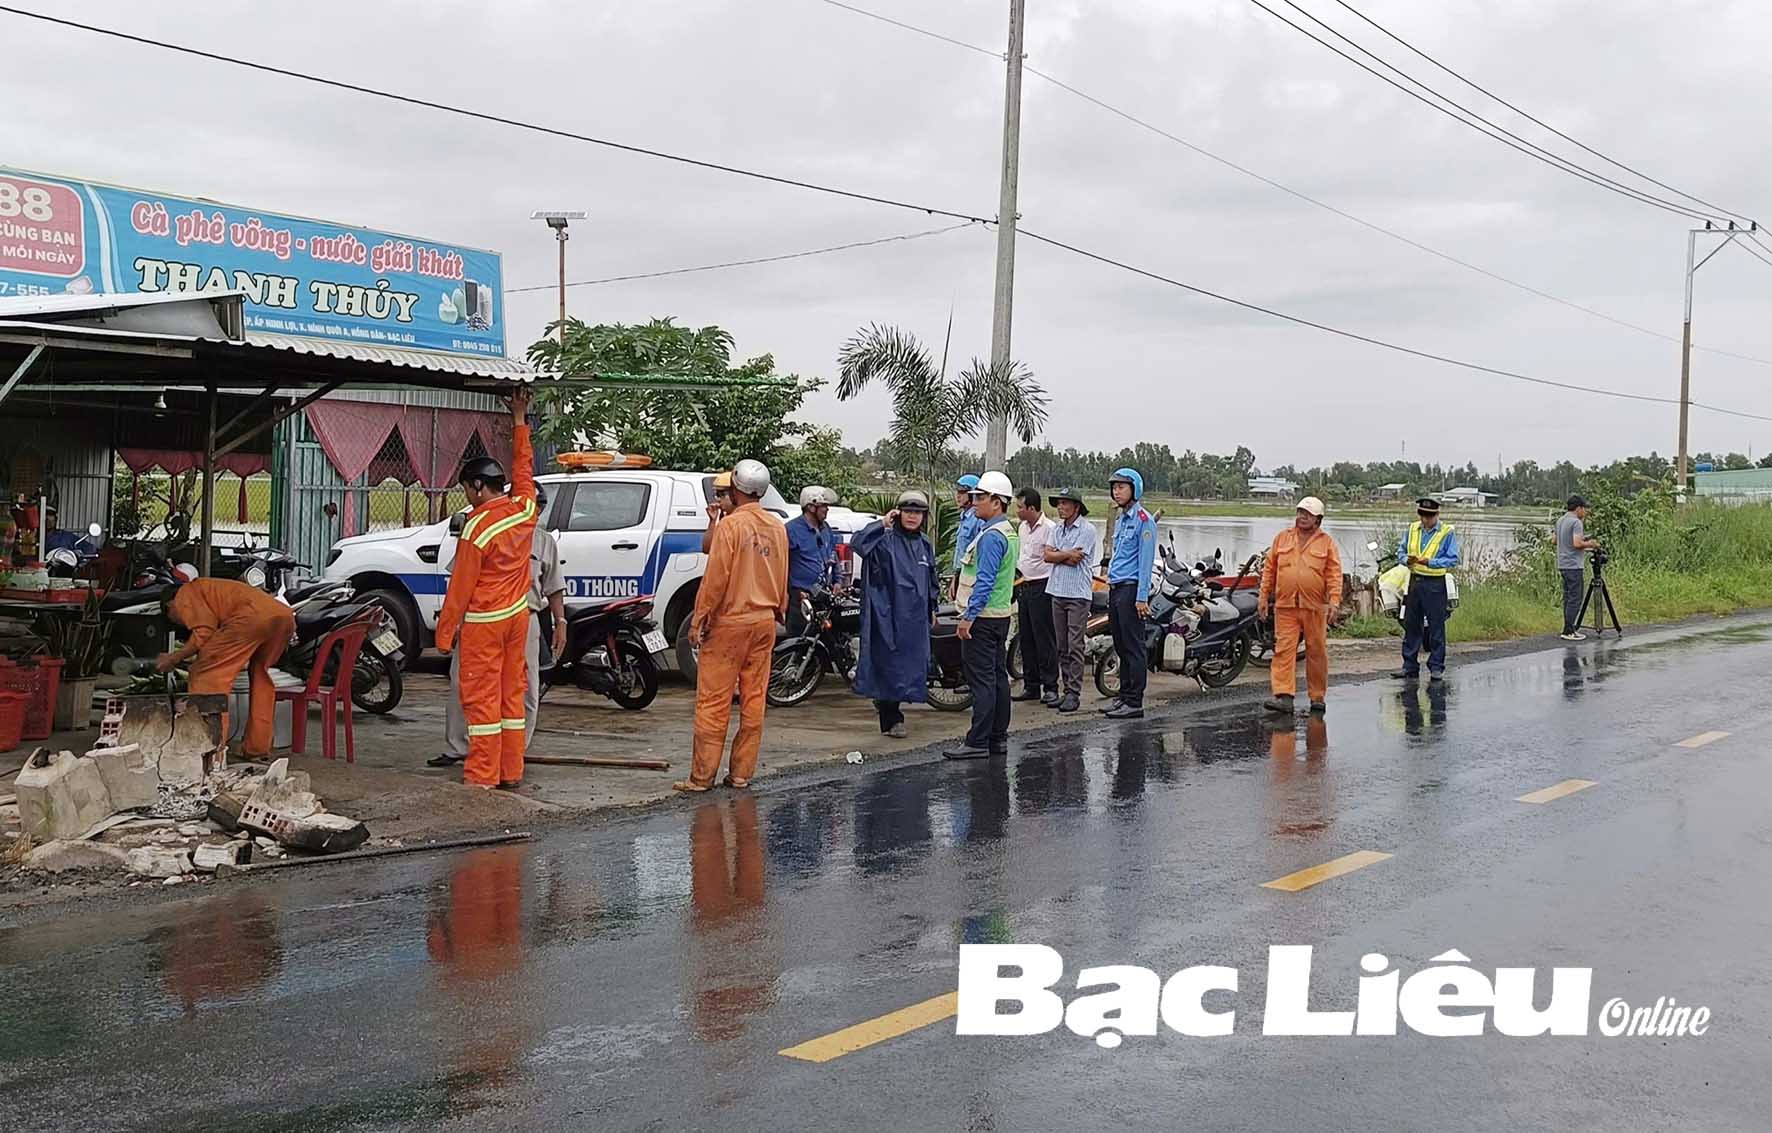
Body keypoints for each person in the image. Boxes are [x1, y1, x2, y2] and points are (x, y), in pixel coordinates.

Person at [436, 391, 539, 790]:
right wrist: (519, 418)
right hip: (518, 618)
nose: (466, 496)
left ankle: (481, 777)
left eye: (467, 488)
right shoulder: (525, 511)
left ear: (478, 486)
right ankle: (511, 771)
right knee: (511, 698)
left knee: (481, 702)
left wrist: (444, 636)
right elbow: (525, 471)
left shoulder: (476, 527)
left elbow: (460, 589)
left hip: (484, 624)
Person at [431, 484, 568, 768]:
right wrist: (452, 625)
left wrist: (560, 622)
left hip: (523, 621)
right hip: (480, 621)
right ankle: (458, 747)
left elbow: (554, 588)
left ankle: (513, 751)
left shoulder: (542, 542)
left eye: (537, 506)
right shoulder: (483, 531)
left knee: (524, 688)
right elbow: (459, 582)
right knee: (463, 683)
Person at [676, 459, 788, 792]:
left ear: (736, 490)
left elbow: (715, 579)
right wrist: (778, 611)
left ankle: (701, 777)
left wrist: (699, 619)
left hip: (730, 623)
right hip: (764, 622)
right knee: (754, 700)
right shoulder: (777, 527)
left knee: (713, 701)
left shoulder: (732, 527)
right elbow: (782, 576)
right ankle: (741, 774)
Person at [156, 574, 297, 759]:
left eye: (175, 619)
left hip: (251, 618)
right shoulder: (214, 589)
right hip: (283, 617)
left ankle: (212, 750)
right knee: (260, 674)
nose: (182, 622)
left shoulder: (186, 592)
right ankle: (257, 748)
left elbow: (203, 633)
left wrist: (174, 658)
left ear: (169, 605)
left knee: (205, 676)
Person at [851, 490, 939, 738]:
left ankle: (889, 704)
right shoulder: (884, 540)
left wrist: (932, 607)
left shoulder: (924, 545)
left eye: (918, 513)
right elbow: (858, 543)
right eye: (908, 512)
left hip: (915, 617)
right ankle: (891, 718)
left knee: (910, 666)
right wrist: (881, 523)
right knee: (888, 664)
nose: (912, 517)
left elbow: (931, 579)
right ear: (898, 513)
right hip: (887, 614)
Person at [945, 472, 1020, 760]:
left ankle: (977, 741)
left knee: (982, 681)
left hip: (983, 617)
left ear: (997, 502)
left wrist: (968, 618)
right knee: (997, 678)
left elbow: (984, 582)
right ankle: (997, 737)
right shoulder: (1007, 532)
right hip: (999, 616)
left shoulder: (991, 537)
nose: (974, 502)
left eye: (980, 497)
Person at [1258, 496, 1343, 716]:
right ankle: (1284, 696)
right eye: (1300, 512)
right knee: (1283, 651)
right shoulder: (1282, 539)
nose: (1302, 517)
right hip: (1285, 606)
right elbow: (1270, 570)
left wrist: (1334, 601)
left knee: (1317, 652)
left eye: (1307, 514)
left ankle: (1317, 697)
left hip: (1315, 607)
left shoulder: (1327, 543)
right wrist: (1263, 597)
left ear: (1318, 520)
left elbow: (1334, 574)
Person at [1103, 467, 1158, 720]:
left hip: (1131, 589)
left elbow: (1145, 562)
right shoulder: (1122, 518)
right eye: (1114, 487)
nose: (1117, 491)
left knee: (1134, 647)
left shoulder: (1144, 521)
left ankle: (1135, 701)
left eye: (1122, 487)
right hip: (1116, 588)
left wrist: (1141, 597)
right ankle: (1124, 696)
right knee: (1121, 644)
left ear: (1134, 489)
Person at [1392, 496, 1461, 682]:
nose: (1425, 519)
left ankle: (1436, 667)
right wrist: (1406, 559)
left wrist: (1430, 562)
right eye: (1422, 515)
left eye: (1429, 516)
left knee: (1436, 627)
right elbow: (1400, 551)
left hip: (1435, 584)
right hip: (1415, 581)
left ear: (1437, 514)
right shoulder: (1412, 528)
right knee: (1411, 625)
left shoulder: (1447, 533)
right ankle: (1409, 666)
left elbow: (1453, 558)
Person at [1042, 487, 1099, 714]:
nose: (1061, 507)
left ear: (1076, 506)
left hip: (1077, 594)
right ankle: (1066, 689)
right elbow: (1047, 555)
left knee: (1075, 645)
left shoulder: (1087, 530)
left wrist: (1058, 555)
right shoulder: (1056, 529)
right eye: (1059, 503)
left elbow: (1077, 559)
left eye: (1066, 503)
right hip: (1056, 591)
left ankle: (1073, 693)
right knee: (1061, 645)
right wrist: (1064, 554)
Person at [1012, 487, 1059, 707]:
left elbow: (1056, 558)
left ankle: (1050, 687)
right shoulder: (1022, 527)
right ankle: (1031, 685)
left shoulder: (1050, 529)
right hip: (1023, 586)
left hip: (1043, 586)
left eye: (1020, 507)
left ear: (1032, 508)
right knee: (1027, 638)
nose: (1017, 510)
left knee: (1044, 638)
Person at [785, 485, 839, 636]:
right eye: (823, 506)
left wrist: (837, 581)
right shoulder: (791, 530)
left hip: (823, 596)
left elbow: (833, 556)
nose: (827, 509)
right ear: (810, 507)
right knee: (800, 641)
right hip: (801, 598)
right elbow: (781, 563)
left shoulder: (826, 528)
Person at [1557, 495, 1602, 640]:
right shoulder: (1576, 522)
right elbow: (1576, 544)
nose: (1586, 512)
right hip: (1574, 566)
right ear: (1579, 508)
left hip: (1563, 564)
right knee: (1575, 599)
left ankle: (1567, 628)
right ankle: (1569, 631)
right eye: (1584, 509)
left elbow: (1554, 540)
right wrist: (1591, 544)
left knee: (1568, 598)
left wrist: (1582, 540)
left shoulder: (1560, 520)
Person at [950, 473, 981, 597]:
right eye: (958, 492)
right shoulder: (964, 517)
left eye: (963, 493)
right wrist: (955, 577)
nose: (958, 496)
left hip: (971, 577)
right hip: (960, 573)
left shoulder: (977, 518)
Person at [702, 470, 735, 554]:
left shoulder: (742, 521)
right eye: (717, 494)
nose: (718, 499)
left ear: (735, 495)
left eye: (722, 495)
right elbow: (707, 548)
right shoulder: (724, 519)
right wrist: (712, 521)